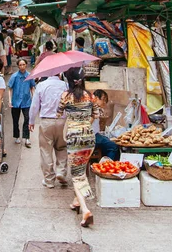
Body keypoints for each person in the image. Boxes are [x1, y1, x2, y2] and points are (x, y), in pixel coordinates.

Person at [57, 67, 99, 227]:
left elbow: (58, 113)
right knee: (81, 170)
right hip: (89, 136)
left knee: (75, 174)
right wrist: (86, 121)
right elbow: (97, 114)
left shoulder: (65, 96)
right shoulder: (91, 96)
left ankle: (85, 209)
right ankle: (76, 201)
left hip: (74, 137)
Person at [29, 73, 68, 189]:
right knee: (62, 147)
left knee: (46, 150)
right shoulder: (65, 85)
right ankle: (61, 171)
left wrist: (31, 121)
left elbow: (35, 105)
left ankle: (49, 180)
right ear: (59, 74)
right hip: (62, 121)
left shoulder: (41, 85)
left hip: (46, 121)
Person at [8, 59, 35, 147]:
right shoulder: (14, 76)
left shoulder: (29, 76)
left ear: (26, 65)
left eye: (23, 64)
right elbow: (10, 89)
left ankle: (26, 138)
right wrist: (10, 101)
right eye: (20, 65)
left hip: (26, 101)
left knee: (27, 119)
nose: (22, 66)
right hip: (16, 102)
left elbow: (32, 88)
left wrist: (34, 99)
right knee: (15, 120)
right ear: (18, 66)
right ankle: (16, 136)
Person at [92, 90, 120, 161]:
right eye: (103, 100)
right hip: (92, 136)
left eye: (106, 101)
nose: (104, 103)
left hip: (96, 134)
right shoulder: (94, 107)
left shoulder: (96, 108)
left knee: (108, 140)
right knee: (113, 146)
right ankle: (107, 165)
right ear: (96, 98)